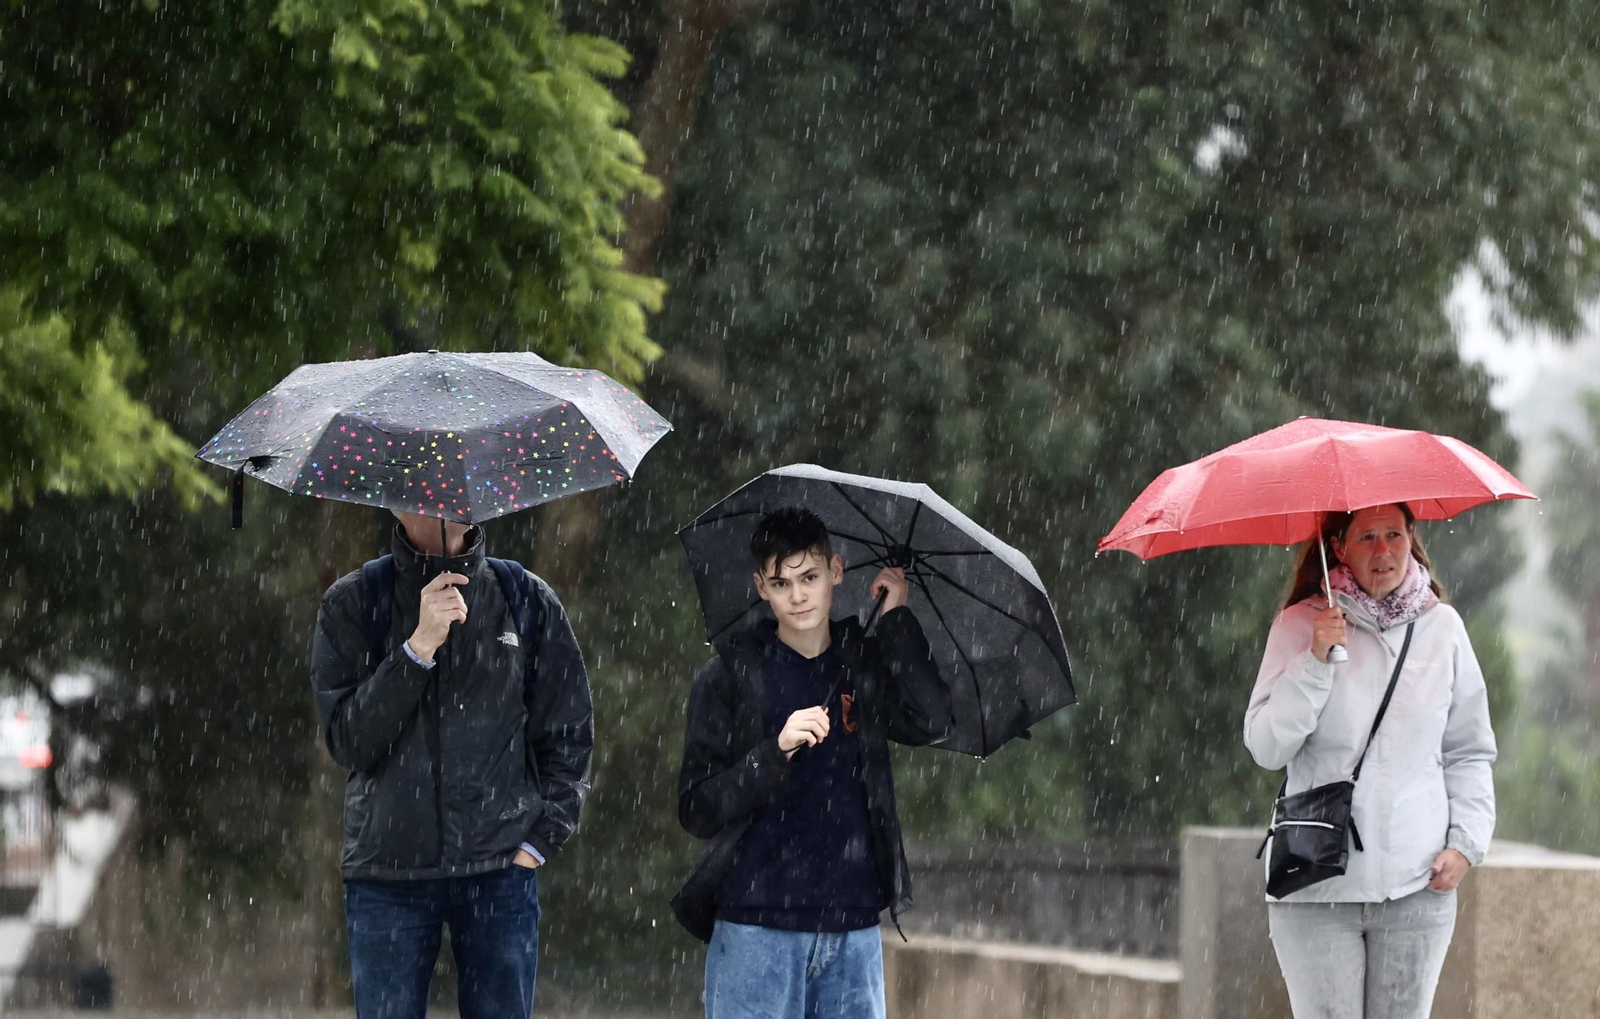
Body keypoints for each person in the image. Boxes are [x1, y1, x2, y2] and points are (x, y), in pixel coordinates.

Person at [672, 507, 954, 1019]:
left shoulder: (862, 665)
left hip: (852, 928)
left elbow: (932, 720)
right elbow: (696, 808)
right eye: (782, 583)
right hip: (756, 928)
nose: (798, 596)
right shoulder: (729, 675)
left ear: (836, 572)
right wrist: (773, 752)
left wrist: (896, 621)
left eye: (810, 577)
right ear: (761, 586)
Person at [311, 510, 593, 1019]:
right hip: (386, 874)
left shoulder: (524, 597)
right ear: (395, 499)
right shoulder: (355, 601)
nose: (445, 497)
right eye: (424, 485)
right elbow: (348, 741)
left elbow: (569, 734)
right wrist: (418, 648)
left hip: (500, 873)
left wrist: (537, 842)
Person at [1244, 503, 1497, 1019]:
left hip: (1416, 882)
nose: (1383, 552)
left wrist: (1466, 841)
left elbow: (1469, 748)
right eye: (1366, 539)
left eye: (1393, 536)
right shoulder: (1300, 625)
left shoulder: (1443, 629)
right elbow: (1267, 747)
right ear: (1338, 547)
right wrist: (1314, 664)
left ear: (1411, 539)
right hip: (1317, 881)